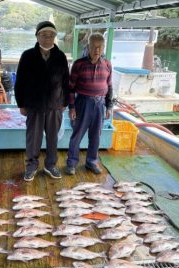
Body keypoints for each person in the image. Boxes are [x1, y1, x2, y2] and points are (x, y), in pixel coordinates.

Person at [15, 21, 69, 182]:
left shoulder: (60, 56)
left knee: (53, 138)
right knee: (33, 139)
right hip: (34, 105)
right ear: (37, 36)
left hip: (55, 105)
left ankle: (50, 165)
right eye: (44, 34)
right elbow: (20, 82)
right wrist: (21, 104)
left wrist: (64, 102)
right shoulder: (27, 56)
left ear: (55, 37)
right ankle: (31, 166)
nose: (48, 38)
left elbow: (66, 81)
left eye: (51, 34)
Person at [66, 33, 113, 175]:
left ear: (104, 47)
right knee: (77, 135)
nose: (97, 50)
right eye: (94, 46)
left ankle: (91, 162)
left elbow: (109, 86)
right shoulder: (78, 64)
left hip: (99, 104)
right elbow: (70, 88)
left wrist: (109, 106)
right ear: (88, 47)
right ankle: (71, 163)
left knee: (96, 136)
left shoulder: (107, 64)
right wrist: (72, 107)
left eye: (100, 47)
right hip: (83, 103)